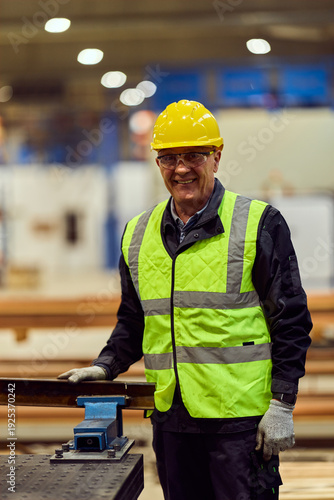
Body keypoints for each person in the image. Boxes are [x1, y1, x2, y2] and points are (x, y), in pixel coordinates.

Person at [58, 100, 312, 500]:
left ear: (216, 157)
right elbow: (134, 319)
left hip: (239, 422)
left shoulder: (258, 223)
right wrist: (105, 366)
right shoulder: (137, 234)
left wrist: (282, 404)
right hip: (172, 419)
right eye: (169, 158)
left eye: (193, 156)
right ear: (158, 163)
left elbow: (292, 320)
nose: (181, 169)